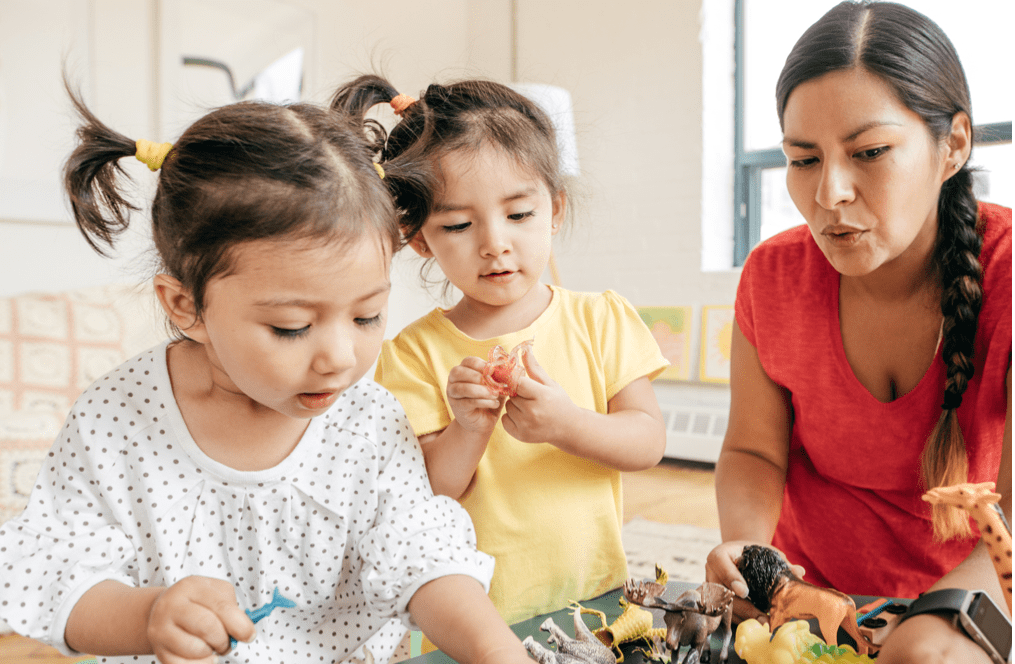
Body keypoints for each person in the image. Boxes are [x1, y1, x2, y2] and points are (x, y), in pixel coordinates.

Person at [0, 86, 532, 664]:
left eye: (367, 316)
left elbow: (424, 559)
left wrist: (501, 656)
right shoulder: (115, 419)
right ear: (186, 307)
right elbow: (54, 574)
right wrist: (149, 616)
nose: (338, 357)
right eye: (290, 327)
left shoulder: (368, 419)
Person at [705, 1, 1011, 662]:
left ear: (952, 144)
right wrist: (748, 548)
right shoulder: (772, 275)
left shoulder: (1008, 273)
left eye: (869, 152)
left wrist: (941, 623)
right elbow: (754, 452)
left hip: (969, 589)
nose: (829, 193)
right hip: (810, 595)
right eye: (803, 159)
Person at [331, 76, 670, 627]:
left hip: (596, 597)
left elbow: (648, 442)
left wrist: (565, 423)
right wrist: (467, 429)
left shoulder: (600, 318)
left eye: (518, 214)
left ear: (554, 209)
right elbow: (429, 492)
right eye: (459, 225)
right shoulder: (414, 353)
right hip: (478, 617)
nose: (494, 243)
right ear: (420, 240)